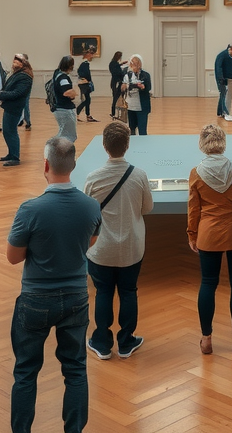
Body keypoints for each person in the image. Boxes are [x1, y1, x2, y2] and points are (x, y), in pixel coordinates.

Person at [7, 137, 103, 433]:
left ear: (45, 165)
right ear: (73, 165)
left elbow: (13, 257)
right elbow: (88, 243)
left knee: (26, 372)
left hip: (35, 298)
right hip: (76, 298)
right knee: (76, 370)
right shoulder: (91, 207)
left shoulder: (30, 209)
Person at [82, 122, 154, 360]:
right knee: (128, 291)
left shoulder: (93, 178)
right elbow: (147, 208)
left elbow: (88, 214)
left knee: (103, 292)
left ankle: (102, 342)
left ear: (105, 146)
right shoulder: (139, 175)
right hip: (131, 248)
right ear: (127, 145)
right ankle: (126, 341)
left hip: (100, 250)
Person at [187, 124, 232, 356]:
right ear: (223, 143)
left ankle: (207, 340)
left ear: (202, 144)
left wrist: (192, 234)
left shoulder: (196, 172)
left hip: (208, 234)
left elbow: (193, 209)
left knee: (208, 283)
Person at [0, 53, 33, 167]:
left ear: (23, 63)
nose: (14, 63)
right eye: (14, 61)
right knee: (7, 131)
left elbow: (17, 93)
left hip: (15, 107)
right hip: (10, 106)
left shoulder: (25, 77)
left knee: (11, 132)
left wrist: (1, 94)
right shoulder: (18, 74)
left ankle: (15, 157)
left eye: (16, 61)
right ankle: (11, 153)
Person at [122, 54, 152, 136]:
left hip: (142, 106)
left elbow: (148, 87)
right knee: (131, 128)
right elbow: (122, 88)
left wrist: (142, 87)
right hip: (131, 106)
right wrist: (124, 86)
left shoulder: (145, 75)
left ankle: (143, 143)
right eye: (133, 64)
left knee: (142, 129)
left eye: (137, 64)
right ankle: (133, 142)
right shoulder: (127, 75)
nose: (135, 66)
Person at [52, 55, 78, 142]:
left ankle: (54, 148)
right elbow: (67, 92)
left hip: (59, 108)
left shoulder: (56, 73)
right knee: (69, 136)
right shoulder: (63, 78)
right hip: (65, 109)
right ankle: (54, 148)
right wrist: (74, 92)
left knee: (63, 133)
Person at [76, 48, 99, 123]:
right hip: (84, 84)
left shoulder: (84, 63)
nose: (92, 56)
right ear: (87, 54)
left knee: (87, 100)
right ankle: (77, 112)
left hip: (85, 83)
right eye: (91, 54)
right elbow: (83, 73)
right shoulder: (84, 63)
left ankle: (87, 115)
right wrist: (85, 79)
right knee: (86, 100)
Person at [108, 50, 125, 120]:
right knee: (117, 98)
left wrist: (120, 64)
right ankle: (115, 113)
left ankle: (113, 113)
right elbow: (118, 72)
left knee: (115, 98)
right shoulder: (115, 65)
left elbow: (115, 67)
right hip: (117, 83)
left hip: (114, 82)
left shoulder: (112, 63)